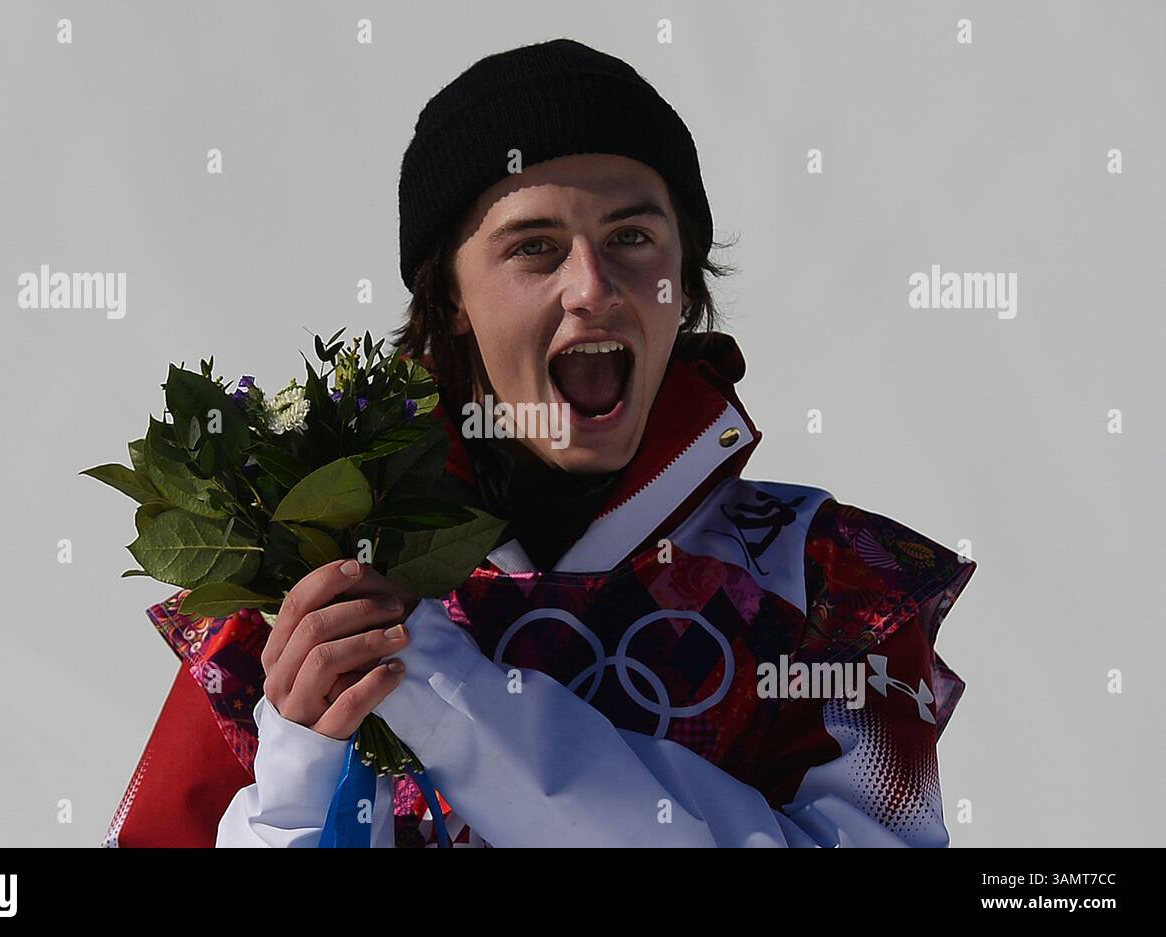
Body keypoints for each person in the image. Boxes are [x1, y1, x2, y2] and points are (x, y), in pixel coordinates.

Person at [105, 37, 976, 848]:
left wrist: (454, 698)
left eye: (633, 237)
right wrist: (293, 787)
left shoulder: (828, 584)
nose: (593, 287)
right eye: (535, 248)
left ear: (686, 281)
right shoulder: (296, 577)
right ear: (450, 297)